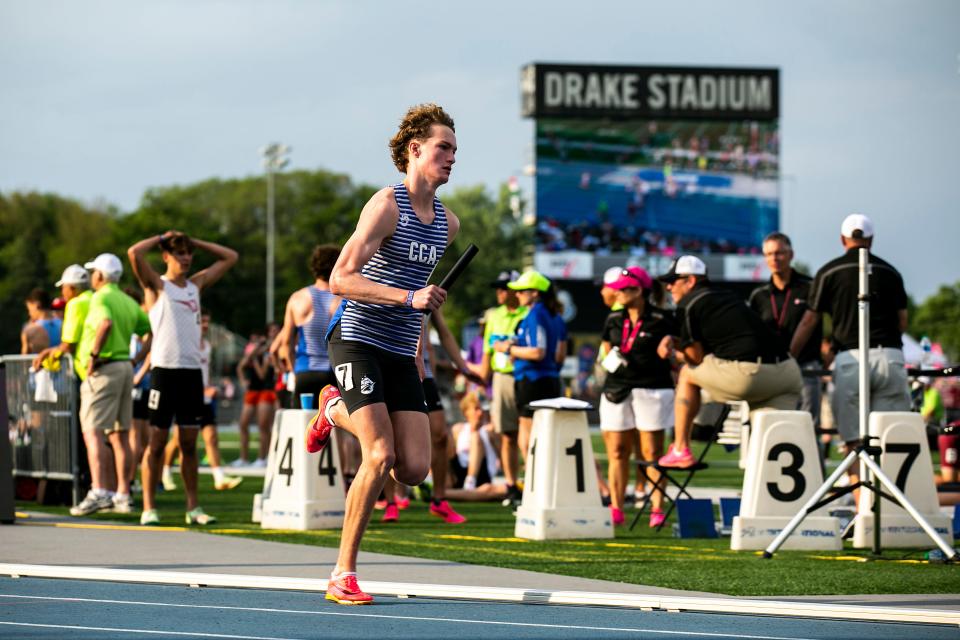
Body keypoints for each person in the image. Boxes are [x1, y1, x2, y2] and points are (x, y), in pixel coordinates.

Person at [305, 103, 459, 605]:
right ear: (415, 150)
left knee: (413, 469)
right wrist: (408, 298)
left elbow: (418, 295)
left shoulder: (447, 224)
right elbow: (340, 279)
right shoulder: (386, 205)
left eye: (455, 150)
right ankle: (342, 573)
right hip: (358, 338)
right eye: (443, 148)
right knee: (379, 454)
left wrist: (417, 336)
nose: (452, 158)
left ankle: (332, 408)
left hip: (399, 349)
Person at [790, 214, 911, 495]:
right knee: (891, 438)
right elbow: (902, 321)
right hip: (890, 356)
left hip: (851, 360)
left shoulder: (829, 272)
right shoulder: (891, 272)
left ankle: (863, 512)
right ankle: (891, 511)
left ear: (843, 239)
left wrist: (789, 356)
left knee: (854, 441)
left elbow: (809, 321)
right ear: (871, 239)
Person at [127, 230, 238, 526]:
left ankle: (194, 508)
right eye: (179, 253)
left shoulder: (195, 285)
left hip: (191, 375)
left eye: (189, 253)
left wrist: (195, 240)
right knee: (157, 442)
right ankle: (149, 507)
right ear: (166, 256)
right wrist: (162, 237)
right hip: (164, 373)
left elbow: (231, 257)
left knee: (189, 443)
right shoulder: (157, 287)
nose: (186, 258)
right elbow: (134, 253)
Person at [657, 255, 802, 468]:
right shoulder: (727, 296)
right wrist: (675, 341)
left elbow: (695, 357)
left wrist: (674, 352)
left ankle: (680, 448)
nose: (669, 287)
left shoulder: (688, 304)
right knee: (773, 445)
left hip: (749, 375)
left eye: (673, 280)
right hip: (787, 373)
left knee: (688, 373)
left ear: (691, 281)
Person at [70, 253, 151, 516]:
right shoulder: (127, 300)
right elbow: (149, 331)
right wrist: (136, 359)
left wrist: (93, 356)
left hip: (105, 369)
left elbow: (105, 323)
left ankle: (100, 491)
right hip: (125, 368)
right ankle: (122, 494)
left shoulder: (101, 298)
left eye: (94, 272)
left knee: (92, 432)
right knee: (119, 436)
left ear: (100, 276)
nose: (92, 277)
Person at [599, 267, 676, 527]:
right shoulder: (613, 320)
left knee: (651, 451)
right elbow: (607, 351)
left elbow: (675, 352)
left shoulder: (663, 318)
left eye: (625, 288)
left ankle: (656, 509)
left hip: (652, 387)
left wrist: (671, 353)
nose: (618, 292)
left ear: (640, 289)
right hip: (616, 388)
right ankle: (616, 508)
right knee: (617, 452)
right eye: (617, 288)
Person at [748, 232, 823, 431]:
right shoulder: (759, 295)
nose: (774, 258)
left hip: (806, 367)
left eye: (780, 253)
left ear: (791, 255)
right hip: (773, 369)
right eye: (769, 254)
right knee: (775, 427)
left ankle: (815, 463)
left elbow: (835, 318)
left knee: (807, 426)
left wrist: (831, 350)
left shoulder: (810, 287)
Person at [493, 270, 564, 465]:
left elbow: (537, 352)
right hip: (549, 378)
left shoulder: (536, 314)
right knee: (546, 435)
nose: (517, 294)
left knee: (530, 436)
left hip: (532, 380)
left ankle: (535, 483)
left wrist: (507, 347)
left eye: (522, 291)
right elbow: (559, 354)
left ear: (535, 293)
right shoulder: (554, 315)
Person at [477, 270, 526, 505]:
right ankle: (511, 484)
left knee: (528, 435)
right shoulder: (494, 316)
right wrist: (481, 381)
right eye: (499, 288)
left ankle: (532, 483)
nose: (500, 292)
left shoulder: (529, 313)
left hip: (525, 377)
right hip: (502, 378)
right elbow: (488, 351)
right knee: (507, 435)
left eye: (504, 288)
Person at [276, 244, 342, 408]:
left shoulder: (297, 298)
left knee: (305, 427)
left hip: (305, 372)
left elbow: (285, 345)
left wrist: (295, 371)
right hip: (333, 373)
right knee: (336, 429)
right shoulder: (343, 299)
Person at [235, 329, 277, 467]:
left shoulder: (266, 354)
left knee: (263, 426)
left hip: (265, 390)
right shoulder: (254, 353)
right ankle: (244, 458)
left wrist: (256, 358)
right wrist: (243, 380)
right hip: (253, 390)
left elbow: (262, 375)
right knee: (243, 423)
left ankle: (263, 457)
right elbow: (241, 366)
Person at [21, 288, 62, 354]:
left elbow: (24, 358)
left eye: (29, 309)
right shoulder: (63, 324)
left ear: (37, 305)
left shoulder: (30, 329)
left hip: (38, 363)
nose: (29, 313)